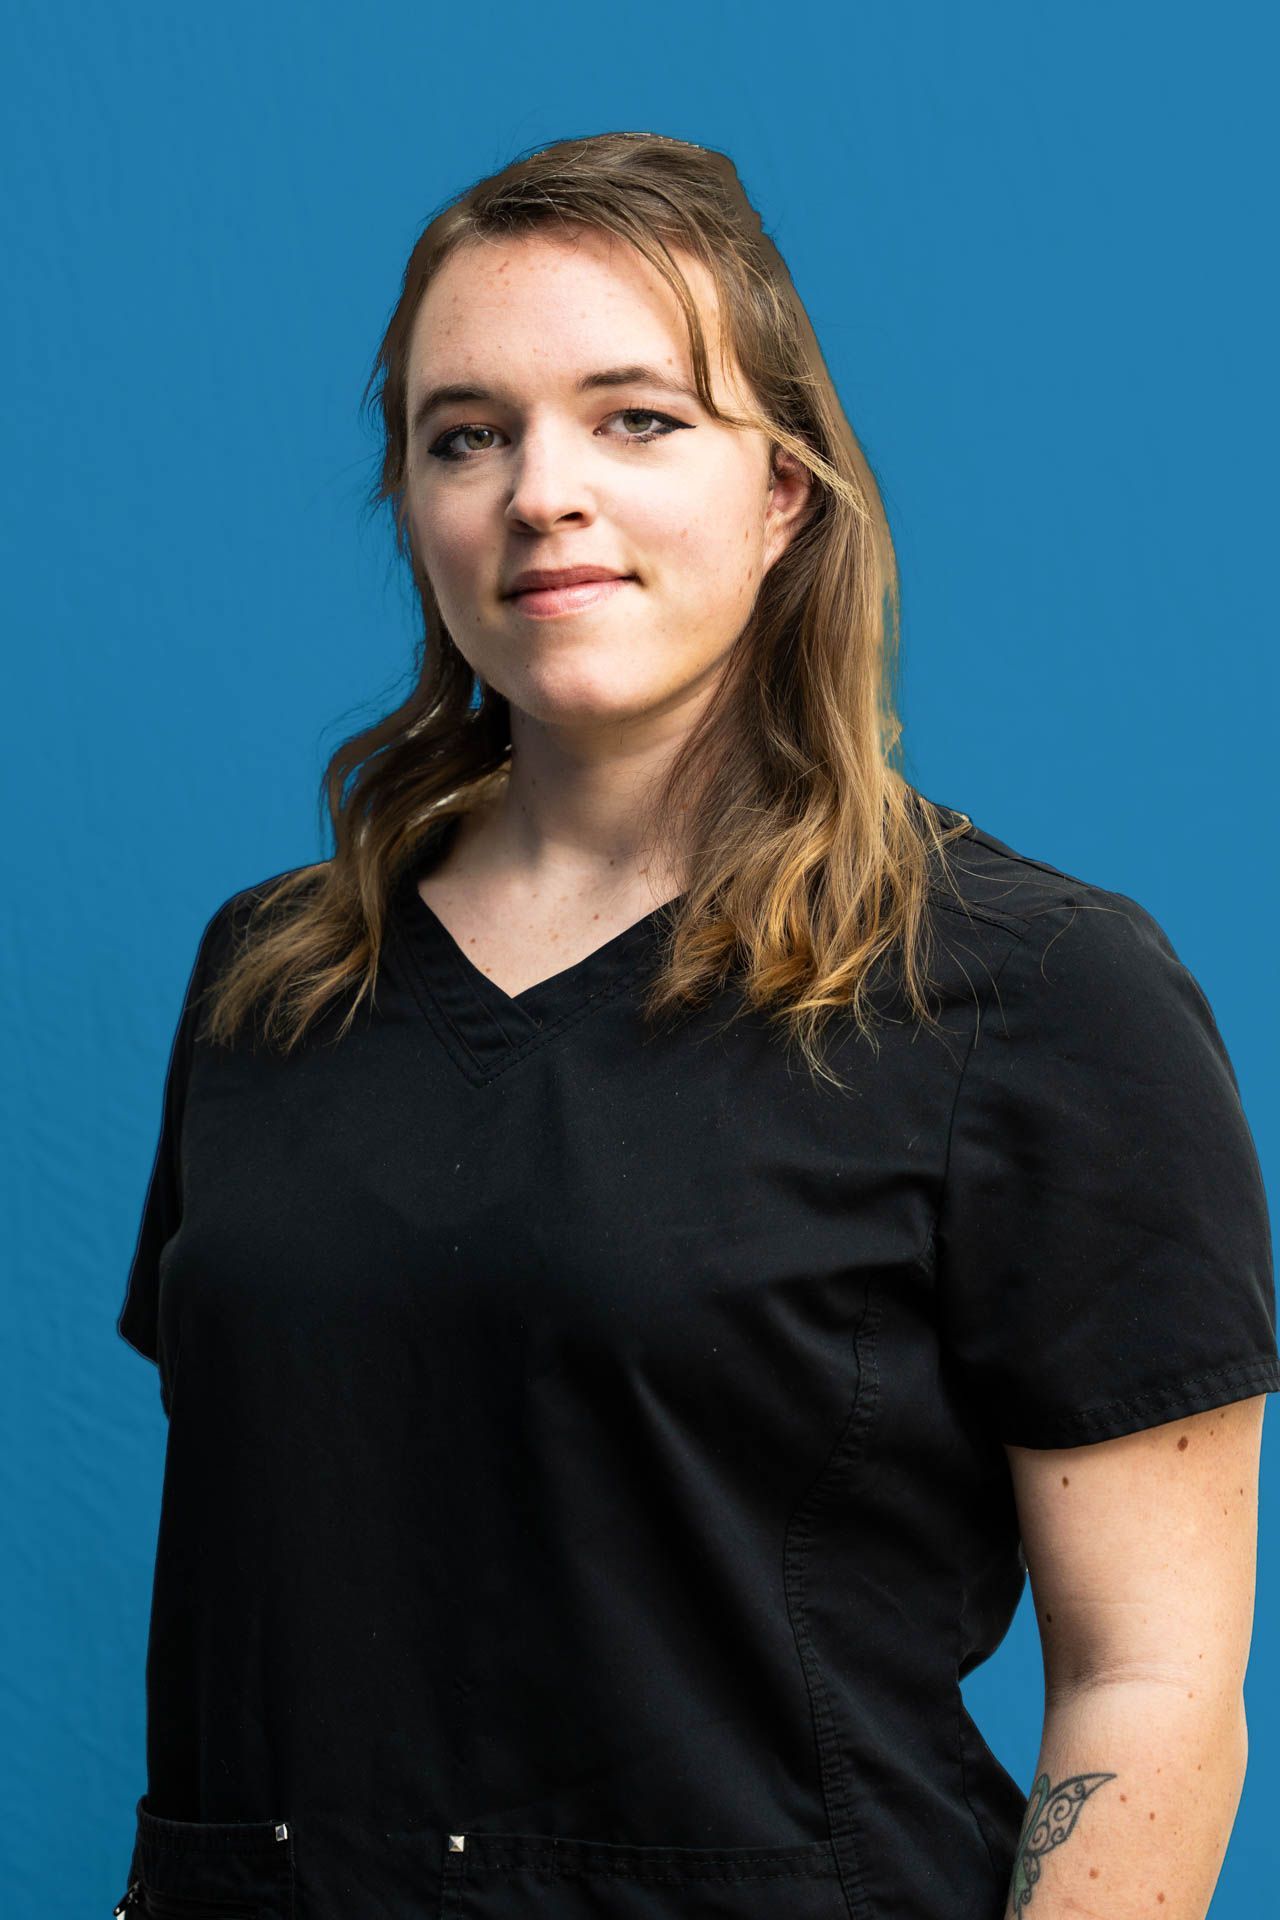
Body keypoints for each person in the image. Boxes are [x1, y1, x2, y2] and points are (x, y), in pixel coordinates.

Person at [112, 132, 1277, 1920]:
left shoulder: (1035, 993)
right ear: (415, 506)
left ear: (785, 493)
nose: (540, 492)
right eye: (466, 433)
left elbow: (1156, 1686)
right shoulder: (271, 982)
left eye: (637, 418)